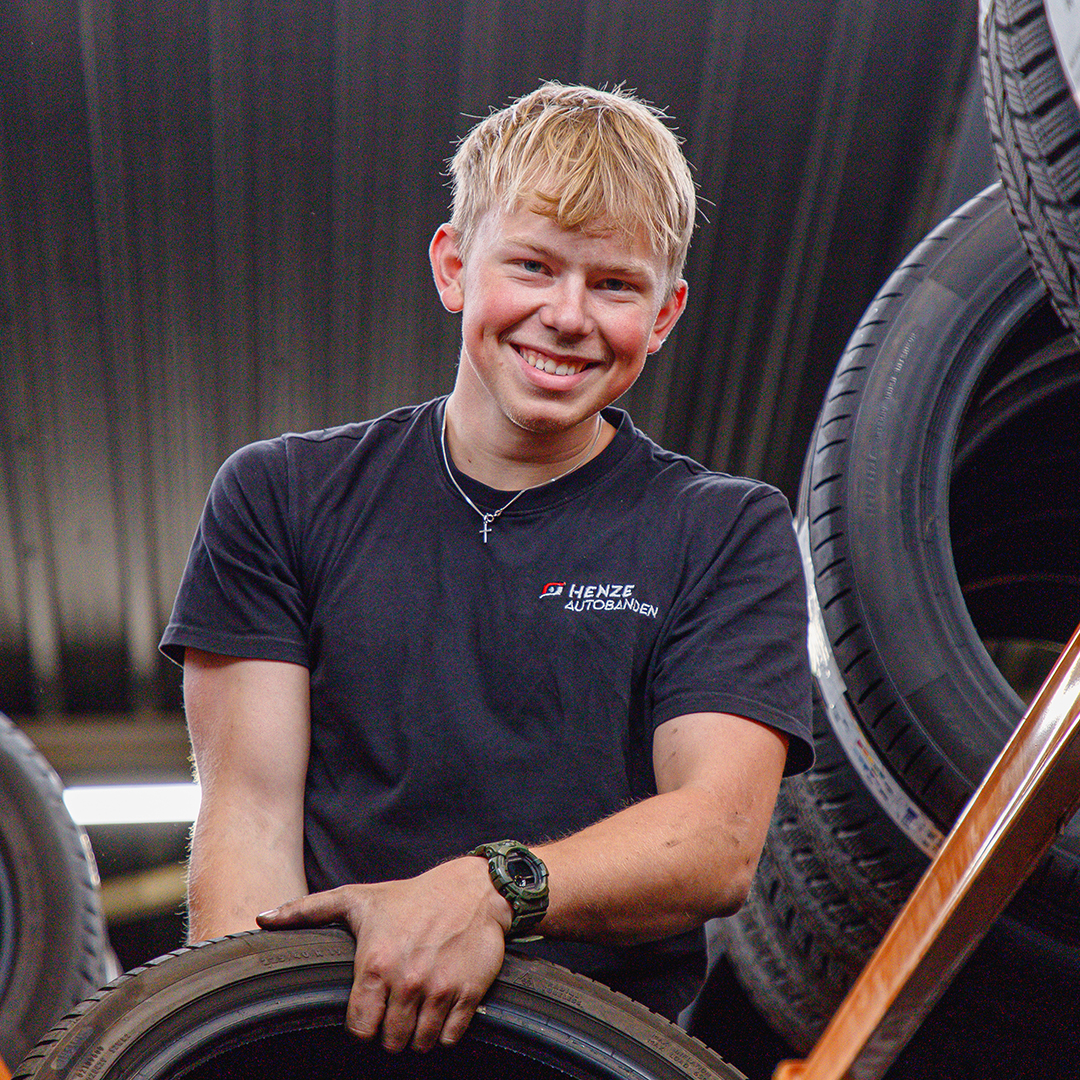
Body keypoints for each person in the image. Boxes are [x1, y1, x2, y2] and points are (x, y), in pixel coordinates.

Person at [160, 81, 812, 1056]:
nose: (567, 315)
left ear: (665, 313)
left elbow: (716, 838)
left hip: (591, 1055)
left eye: (615, 285)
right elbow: (248, 826)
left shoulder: (726, 530)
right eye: (533, 266)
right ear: (455, 266)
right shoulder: (281, 495)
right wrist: (246, 1052)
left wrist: (490, 890)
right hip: (331, 1043)